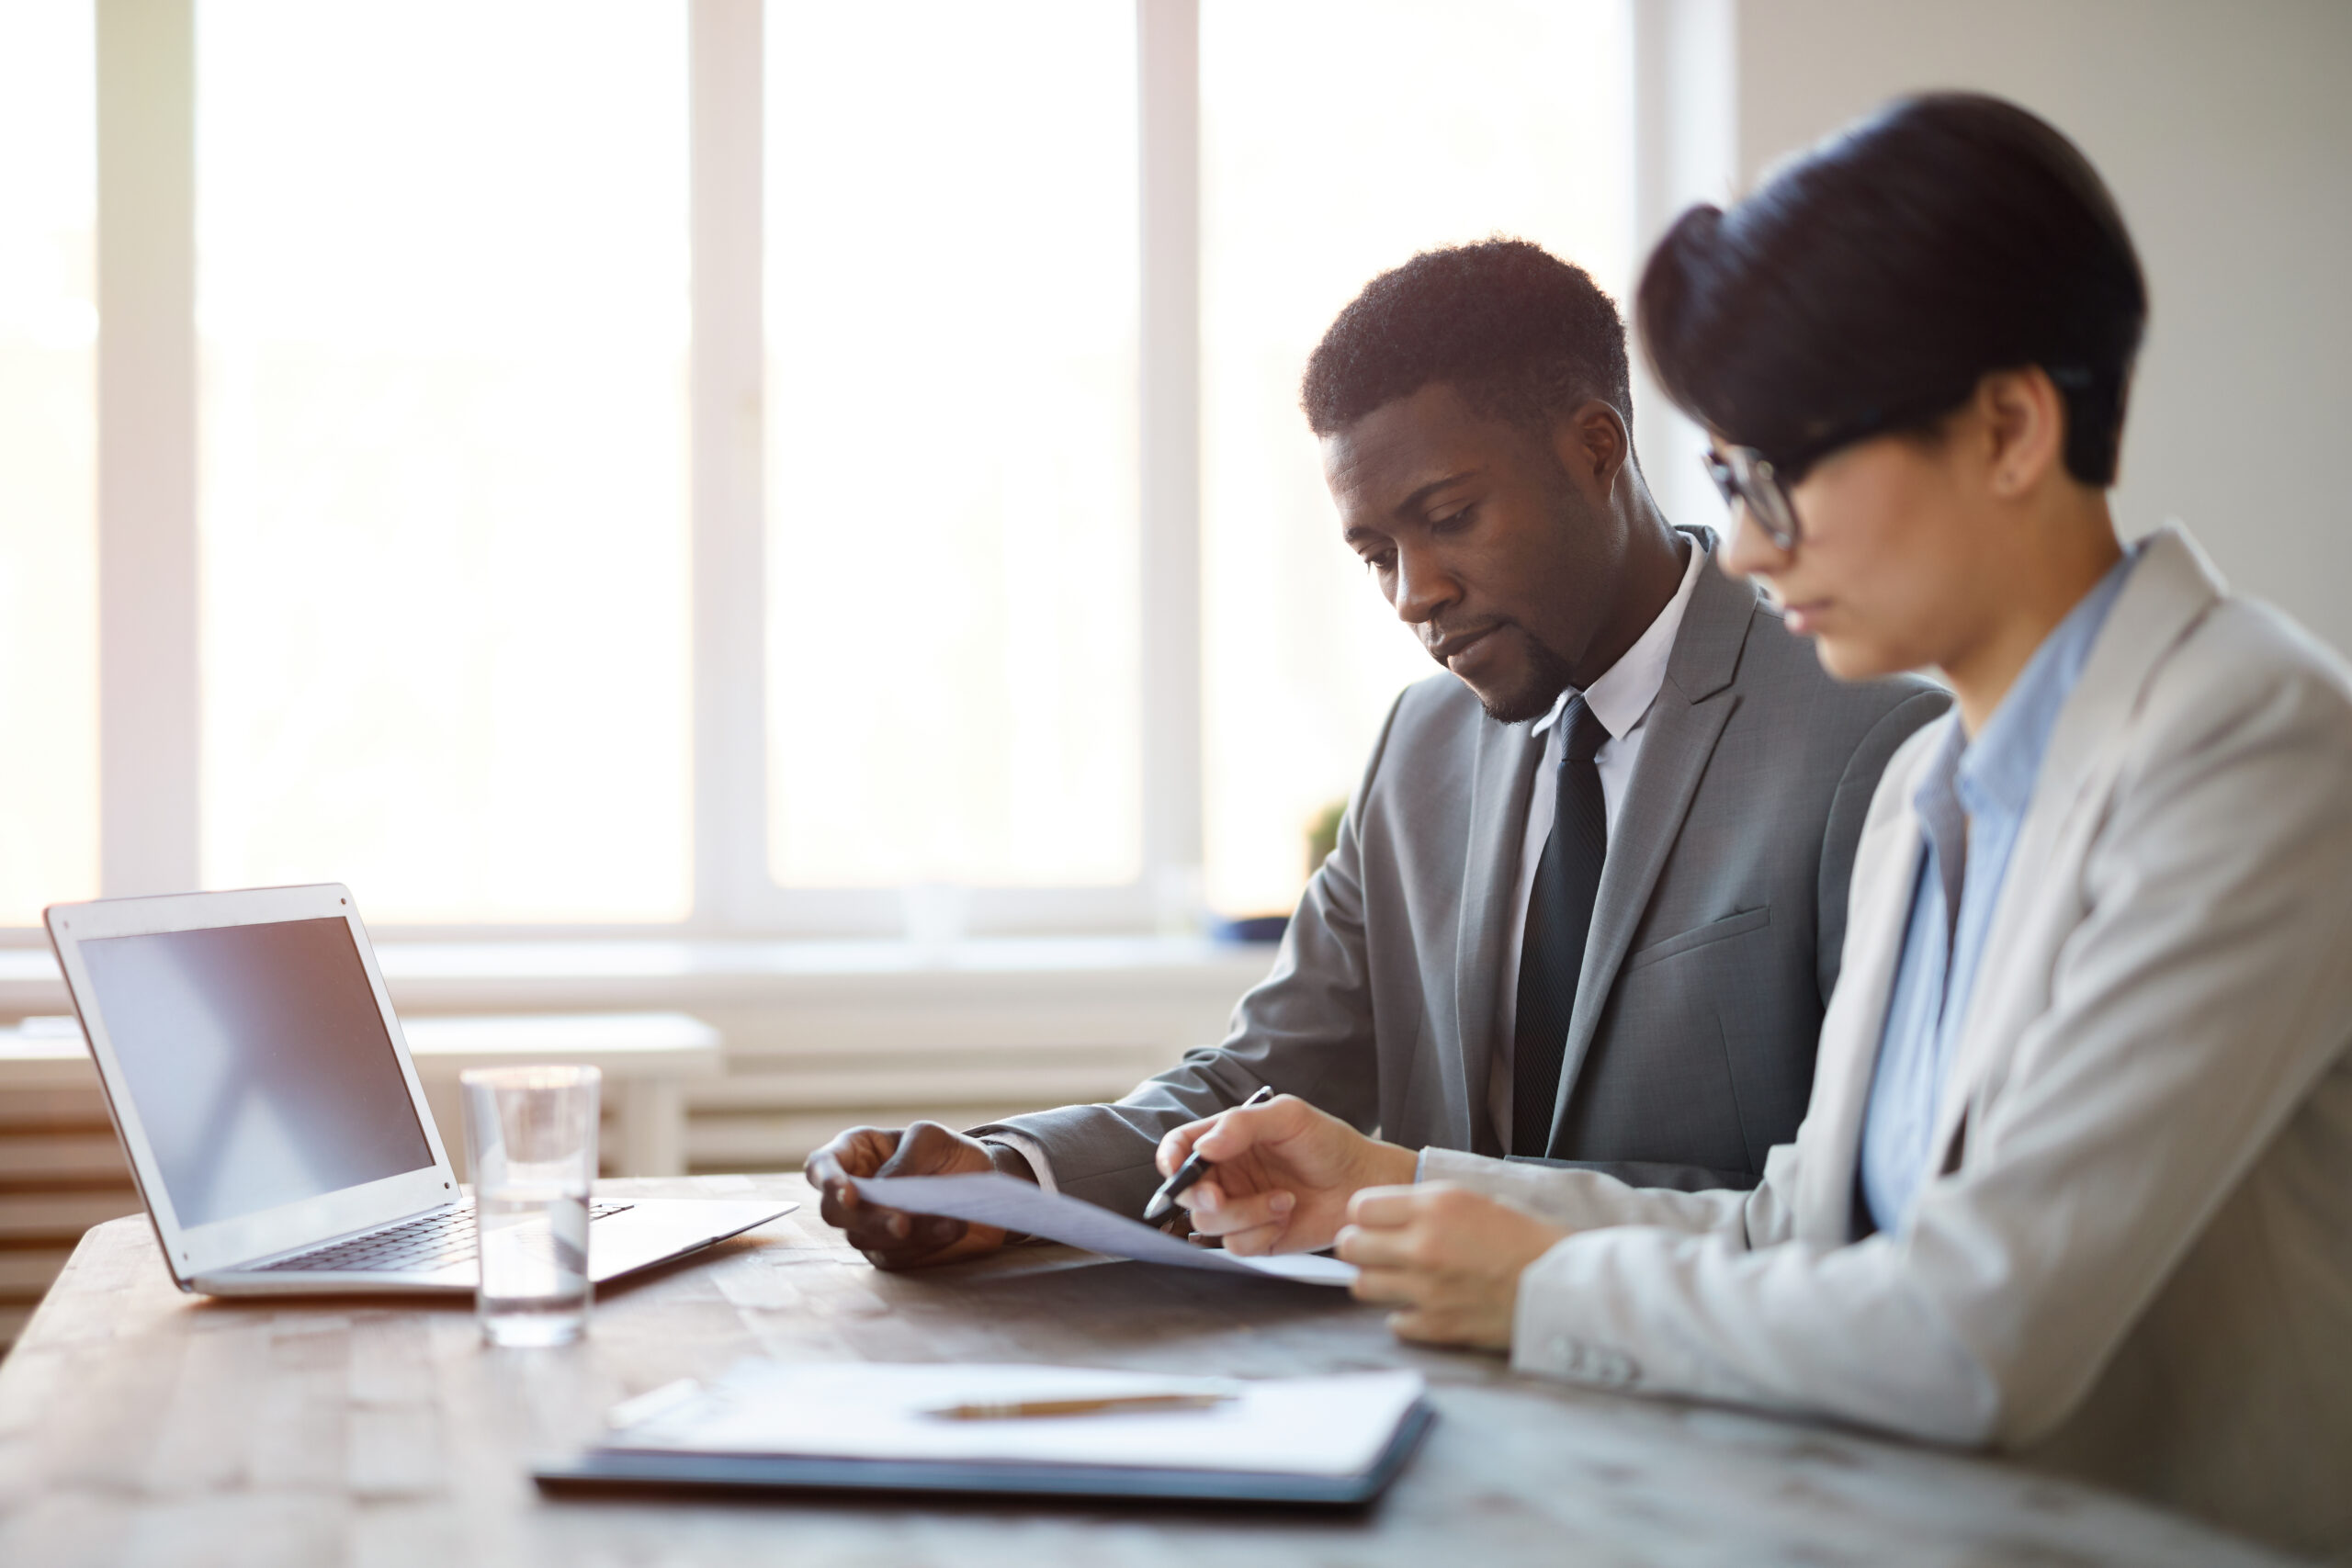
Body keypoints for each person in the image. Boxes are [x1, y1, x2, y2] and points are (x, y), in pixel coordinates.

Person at [1161, 95, 2352, 1555]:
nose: (1750, 544)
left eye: (1784, 473)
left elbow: (1977, 1329)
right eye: (1730, 480)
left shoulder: (2256, 739)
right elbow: (1797, 1234)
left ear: (2009, 427)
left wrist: (1539, 1290)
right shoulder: (1939, 788)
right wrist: (1405, 1183)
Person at [808, 241, 1944, 1267]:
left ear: (1597, 448)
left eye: (1447, 519)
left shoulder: (1869, 737)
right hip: (1419, 1384)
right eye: (1374, 554)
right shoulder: (1422, 745)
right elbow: (1268, 1075)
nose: (1414, 594)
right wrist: (1012, 1179)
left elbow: (1847, 1209)